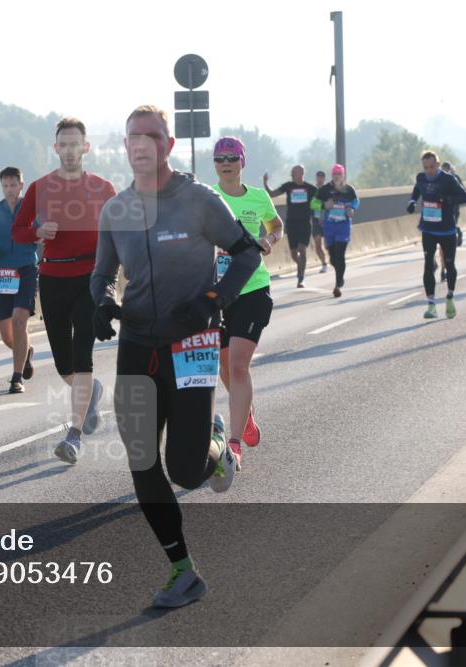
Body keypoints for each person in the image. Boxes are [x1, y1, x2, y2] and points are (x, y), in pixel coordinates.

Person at [91, 105, 262, 608]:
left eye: (150, 136)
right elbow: (101, 274)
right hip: (137, 344)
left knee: (185, 472)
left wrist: (214, 300)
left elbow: (247, 253)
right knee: (142, 459)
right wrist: (100, 301)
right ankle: (183, 571)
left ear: (166, 145)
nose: (140, 144)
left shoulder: (199, 200)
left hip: (192, 344)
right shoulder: (115, 210)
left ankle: (216, 444)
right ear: (125, 148)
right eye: (131, 137)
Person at [12, 118, 117, 464]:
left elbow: (120, 236)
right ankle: (90, 392)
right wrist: (39, 233)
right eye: (63, 144)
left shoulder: (104, 188)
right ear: (56, 149)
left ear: (85, 148)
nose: (70, 150)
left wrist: (114, 281)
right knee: (62, 363)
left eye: (76, 144)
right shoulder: (40, 188)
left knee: (82, 351)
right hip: (54, 278)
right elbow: (17, 231)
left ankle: (73, 436)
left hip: (90, 277)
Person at [216, 137, 282, 468]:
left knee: (239, 365)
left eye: (232, 157)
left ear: (243, 162)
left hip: (253, 288)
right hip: (217, 292)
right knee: (224, 366)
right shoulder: (208, 199)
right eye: (220, 158)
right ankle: (247, 413)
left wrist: (269, 240)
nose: (226, 163)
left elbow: (276, 225)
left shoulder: (258, 197)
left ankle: (235, 441)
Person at [0, 167, 37, 394]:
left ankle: (16, 378)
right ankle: (26, 352)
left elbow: (42, 231)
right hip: (2, 273)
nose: (10, 190)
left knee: (19, 320)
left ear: (21, 185)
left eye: (14, 185)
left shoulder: (32, 209)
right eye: (5, 186)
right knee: (6, 335)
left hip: (26, 269)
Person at [407, 151, 466, 319]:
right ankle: (431, 305)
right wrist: (412, 202)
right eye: (425, 167)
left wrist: (447, 198)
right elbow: (417, 190)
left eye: (432, 167)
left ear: (438, 164)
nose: (429, 171)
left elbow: (465, 196)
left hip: (447, 229)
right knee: (428, 264)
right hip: (428, 228)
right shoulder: (421, 177)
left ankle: (449, 296)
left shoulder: (448, 179)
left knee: (449, 265)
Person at [264, 165, 317, 287]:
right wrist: (265, 183)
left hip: (305, 223)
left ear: (302, 173)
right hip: (292, 223)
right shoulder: (288, 186)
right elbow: (272, 194)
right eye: (292, 173)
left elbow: (321, 199)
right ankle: (301, 267)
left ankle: (301, 278)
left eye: (295, 173)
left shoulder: (310, 188)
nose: (293, 175)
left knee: (302, 249)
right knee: (294, 253)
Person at [315, 164, 359, 297]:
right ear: (332, 176)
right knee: (333, 258)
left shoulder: (349, 189)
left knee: (340, 254)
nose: (336, 176)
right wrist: (323, 206)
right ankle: (340, 276)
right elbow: (313, 203)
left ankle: (338, 284)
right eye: (334, 174)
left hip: (343, 225)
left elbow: (356, 202)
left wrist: (352, 208)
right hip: (329, 226)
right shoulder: (325, 189)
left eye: (339, 174)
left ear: (343, 175)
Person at [309, 170, 329, 272]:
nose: (319, 179)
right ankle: (324, 264)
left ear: (324, 178)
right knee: (318, 245)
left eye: (321, 177)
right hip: (316, 221)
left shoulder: (327, 190)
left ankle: (331, 259)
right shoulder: (313, 190)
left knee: (327, 245)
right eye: (318, 177)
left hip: (326, 220)